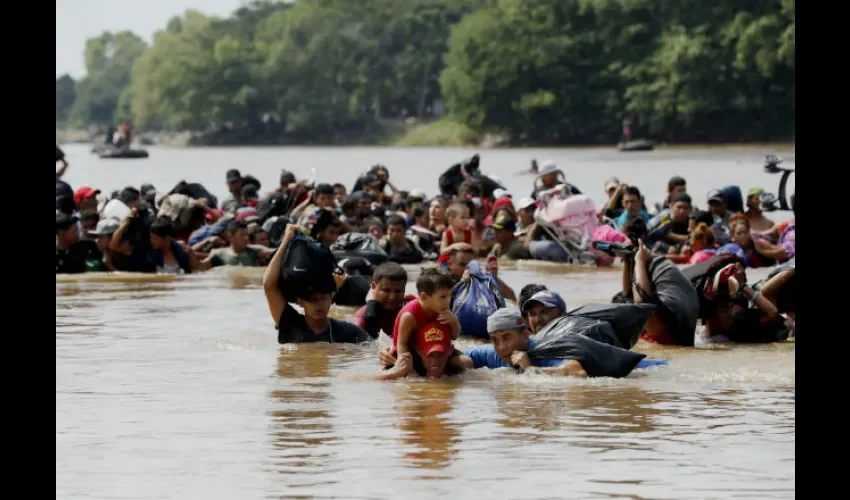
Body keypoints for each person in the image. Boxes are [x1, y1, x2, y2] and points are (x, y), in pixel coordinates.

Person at [263, 224, 369, 344]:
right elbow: (269, 285)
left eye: (323, 298)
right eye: (313, 299)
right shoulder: (290, 325)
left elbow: (370, 348)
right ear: (301, 302)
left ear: (331, 298)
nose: (319, 304)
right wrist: (287, 239)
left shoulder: (346, 332)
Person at [390, 267, 462, 375]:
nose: (448, 301)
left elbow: (454, 336)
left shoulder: (441, 307)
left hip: (435, 349)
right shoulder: (409, 316)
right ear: (424, 297)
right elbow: (401, 343)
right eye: (443, 297)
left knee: (464, 363)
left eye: (449, 296)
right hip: (412, 352)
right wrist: (405, 364)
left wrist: (454, 321)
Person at [348, 262, 415, 338]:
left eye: (398, 291)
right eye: (386, 290)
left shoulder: (412, 305)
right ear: (373, 286)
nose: (392, 297)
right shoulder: (359, 321)